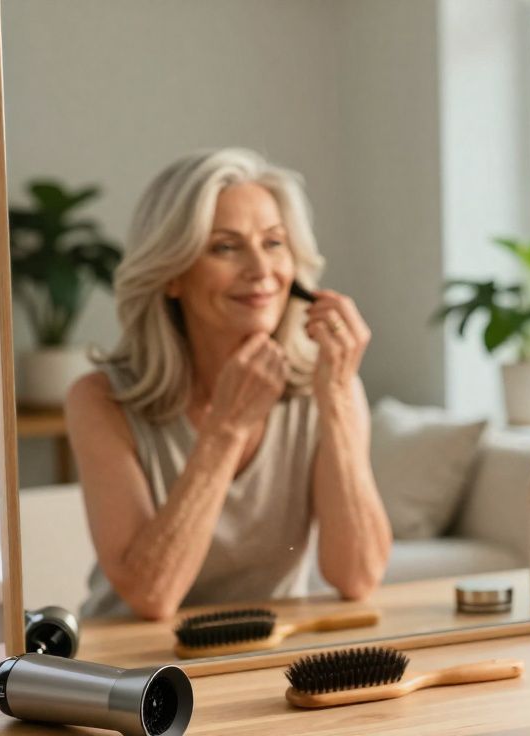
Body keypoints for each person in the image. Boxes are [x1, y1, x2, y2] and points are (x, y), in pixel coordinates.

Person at [66, 148, 391, 621]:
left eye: (274, 243)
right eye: (225, 247)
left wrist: (338, 399)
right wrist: (226, 429)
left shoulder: (329, 388)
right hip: (134, 669)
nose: (261, 270)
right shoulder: (100, 400)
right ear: (173, 274)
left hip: (266, 659)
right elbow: (151, 594)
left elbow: (357, 576)